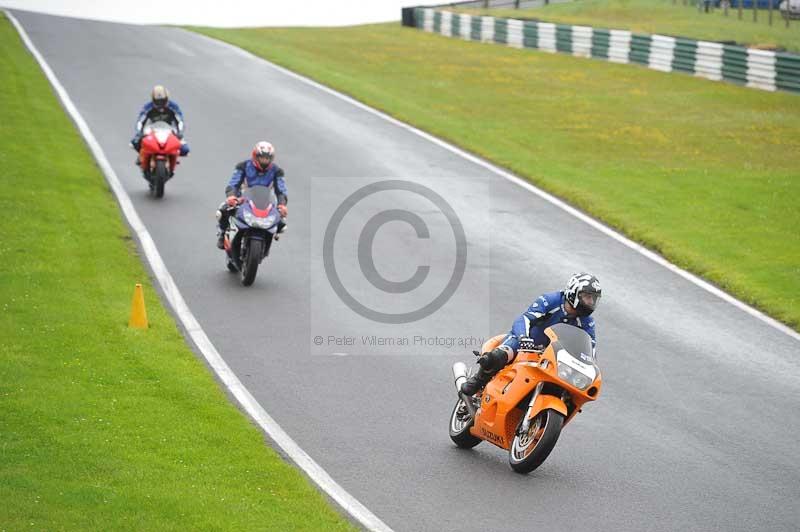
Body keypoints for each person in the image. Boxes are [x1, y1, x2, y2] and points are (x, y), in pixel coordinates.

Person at [460, 273, 601, 396]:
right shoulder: (551, 300)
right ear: (573, 293)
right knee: (498, 356)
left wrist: (590, 366)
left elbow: (590, 347)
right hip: (526, 342)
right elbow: (524, 318)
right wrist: (523, 338)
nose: (590, 302)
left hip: (553, 355)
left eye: (594, 299)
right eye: (587, 297)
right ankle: (478, 382)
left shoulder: (587, 322)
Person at [216, 141, 288, 249]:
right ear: (255, 156)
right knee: (223, 209)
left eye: (267, 158)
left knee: (282, 222)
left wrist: (282, 204)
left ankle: (268, 238)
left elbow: (281, 190)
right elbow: (233, 183)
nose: (265, 161)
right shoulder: (243, 166)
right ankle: (222, 234)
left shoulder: (277, 171)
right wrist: (231, 196)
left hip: (265, 201)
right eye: (262, 158)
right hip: (243, 198)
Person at [130, 85, 190, 162]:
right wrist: (139, 132)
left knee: (185, 150)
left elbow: (180, 120)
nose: (160, 104)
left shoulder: (174, 106)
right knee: (134, 143)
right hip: (153, 129)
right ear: (153, 100)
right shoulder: (147, 107)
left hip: (171, 129)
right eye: (157, 101)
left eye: (162, 101)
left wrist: (180, 132)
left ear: (167, 98)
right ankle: (142, 157)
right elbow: (140, 121)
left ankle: (173, 158)